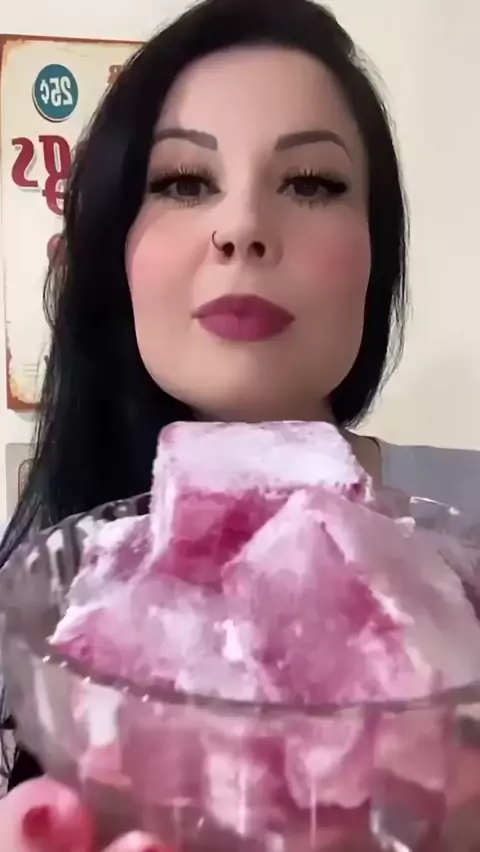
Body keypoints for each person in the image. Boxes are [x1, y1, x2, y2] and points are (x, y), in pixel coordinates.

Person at [1, 0, 479, 848]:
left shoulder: (465, 537)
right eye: (184, 182)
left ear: (376, 254)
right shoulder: (40, 592)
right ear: (113, 245)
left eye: (311, 182)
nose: (245, 228)